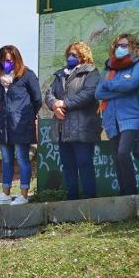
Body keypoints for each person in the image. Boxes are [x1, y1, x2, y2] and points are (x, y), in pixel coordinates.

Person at [95, 33, 139, 196]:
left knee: (123, 153)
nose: (120, 48)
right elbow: (98, 93)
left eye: (124, 45)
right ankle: (123, 192)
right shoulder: (109, 68)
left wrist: (109, 86)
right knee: (116, 157)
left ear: (134, 47)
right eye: (118, 45)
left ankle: (131, 192)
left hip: (131, 117)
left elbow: (132, 84)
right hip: (111, 119)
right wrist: (121, 88)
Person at [45, 41, 100, 201]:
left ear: (83, 56)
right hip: (63, 129)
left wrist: (64, 103)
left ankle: (90, 198)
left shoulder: (91, 73)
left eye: (74, 55)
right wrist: (54, 105)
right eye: (69, 54)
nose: (70, 57)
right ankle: (72, 198)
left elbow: (89, 94)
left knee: (84, 163)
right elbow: (49, 93)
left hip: (83, 128)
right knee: (68, 166)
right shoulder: (60, 74)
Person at [0, 44, 42, 206]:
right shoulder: (0, 80)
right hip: (4, 125)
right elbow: (0, 102)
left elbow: (37, 99)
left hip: (22, 124)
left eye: (9, 60)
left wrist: (27, 115)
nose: (7, 63)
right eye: (3, 60)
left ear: (16, 59)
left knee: (22, 159)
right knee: (6, 160)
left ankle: (24, 194)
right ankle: (6, 193)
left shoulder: (27, 75)